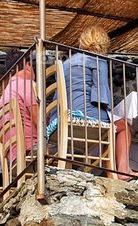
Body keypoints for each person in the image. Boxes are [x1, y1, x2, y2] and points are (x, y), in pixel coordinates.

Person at [51, 26, 132, 179]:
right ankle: (121, 171)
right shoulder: (96, 59)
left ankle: (100, 171)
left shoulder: (67, 63)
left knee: (110, 126)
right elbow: (102, 97)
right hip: (84, 114)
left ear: (82, 42)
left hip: (60, 117)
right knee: (123, 127)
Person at [0, 56, 38, 163]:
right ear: (28, 66)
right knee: (75, 148)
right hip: (31, 149)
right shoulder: (27, 85)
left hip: (12, 157)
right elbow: (39, 120)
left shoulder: (5, 94)